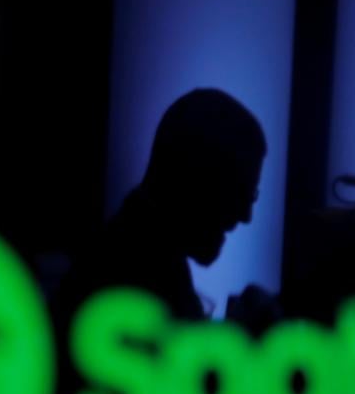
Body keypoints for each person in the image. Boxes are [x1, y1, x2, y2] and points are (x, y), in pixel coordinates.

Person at [64, 88, 267, 321]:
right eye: (239, 192)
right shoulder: (132, 283)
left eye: (251, 196)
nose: (246, 215)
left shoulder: (128, 256)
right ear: (194, 176)